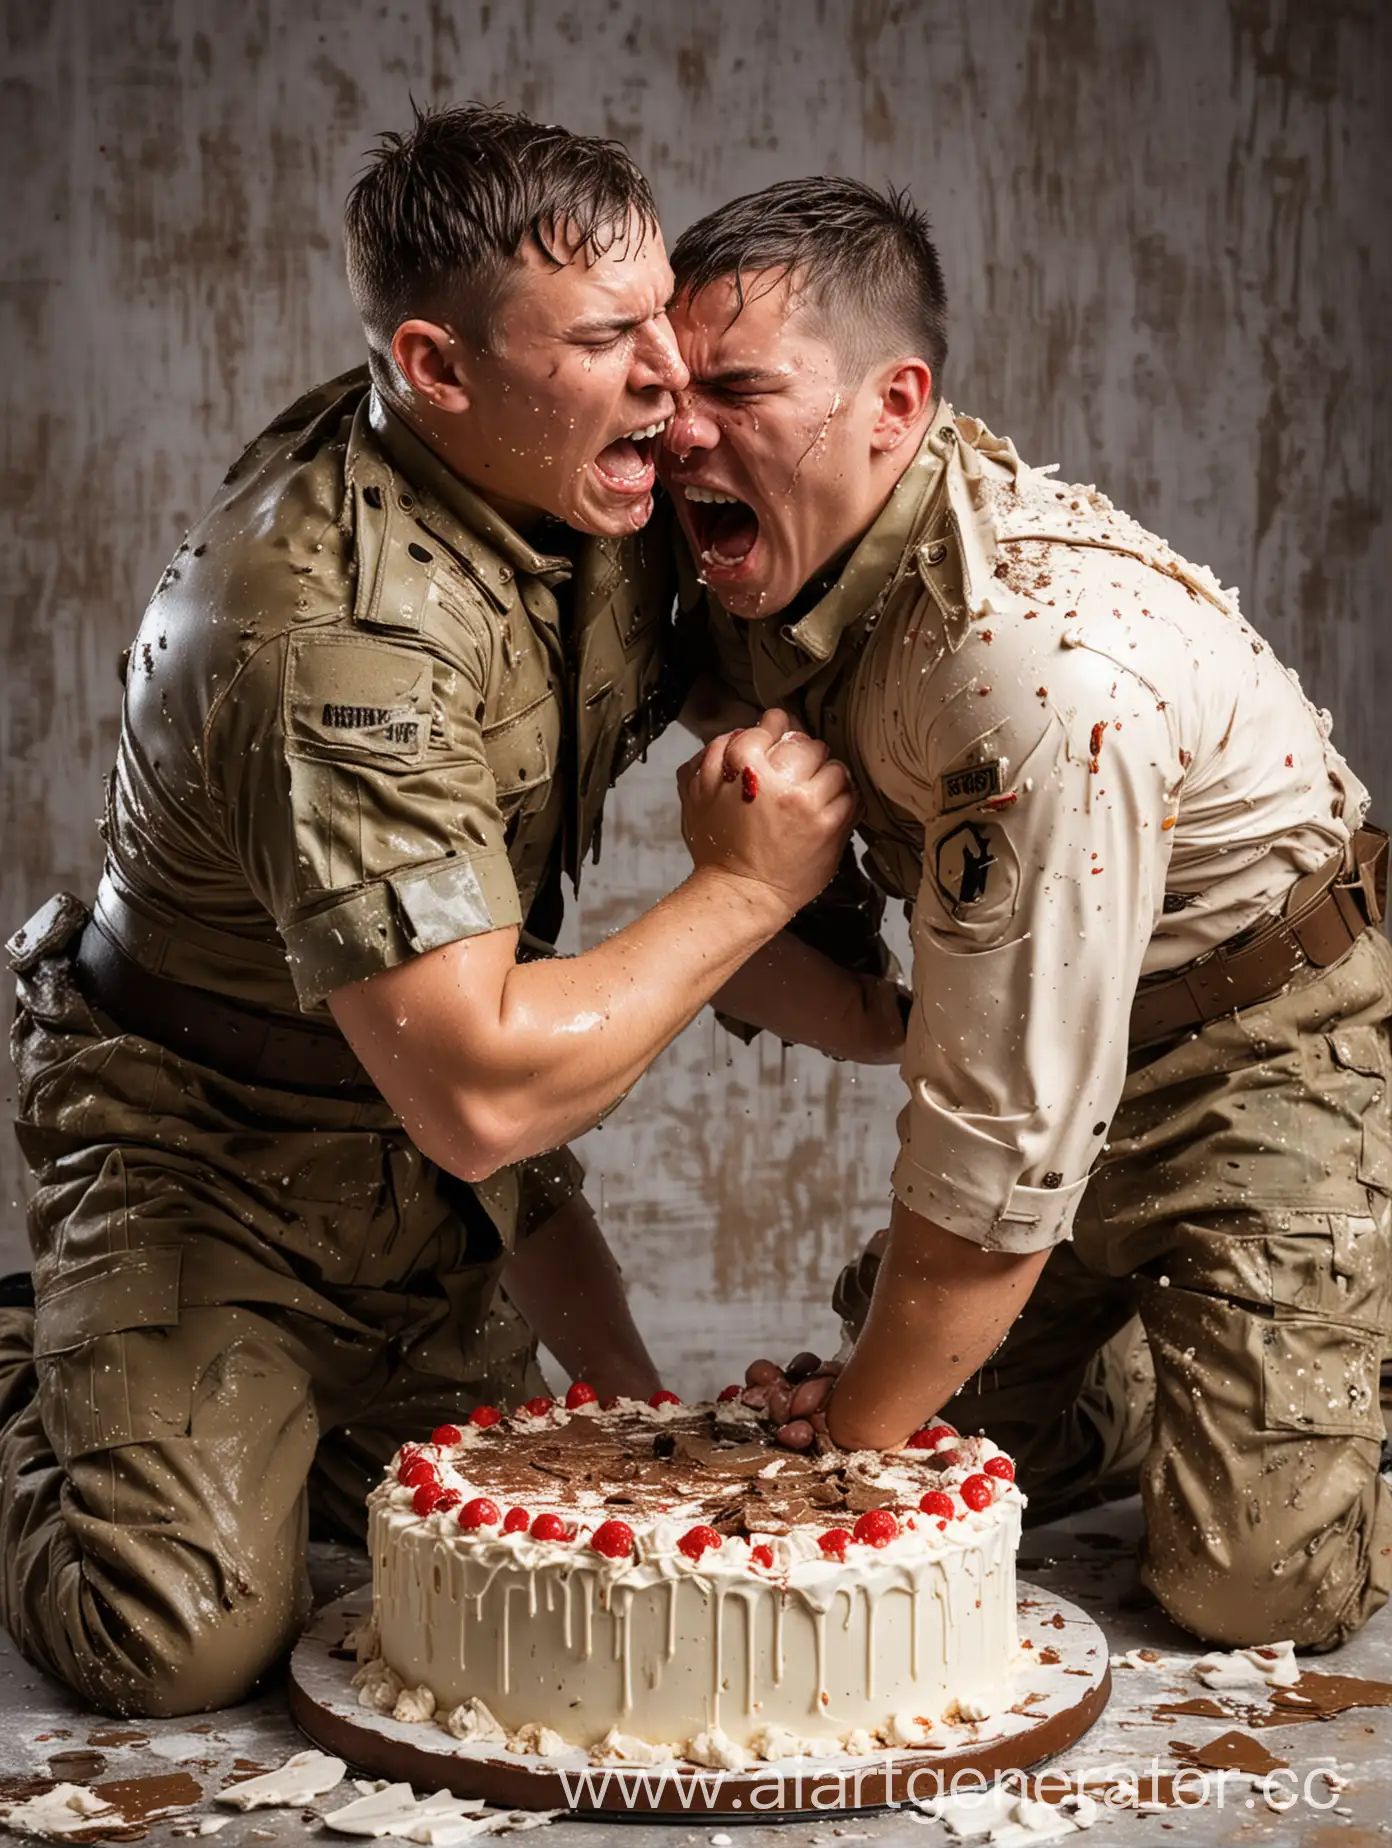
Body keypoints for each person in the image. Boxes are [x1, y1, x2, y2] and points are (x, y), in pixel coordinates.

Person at [0, 110, 897, 1718]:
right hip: (207, 1135)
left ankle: (303, 1395)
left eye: (665, 322)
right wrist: (743, 893)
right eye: (610, 340)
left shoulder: (579, 486)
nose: (670, 383)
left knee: (513, 1538)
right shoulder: (338, 629)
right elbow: (483, 1096)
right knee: (174, 1642)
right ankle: (36, 1360)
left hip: (405, 1104)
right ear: (436, 365)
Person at [661, 175, 1392, 1651]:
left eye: (737, 389)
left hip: (1260, 1052)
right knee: (967, 1445)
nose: (680, 434)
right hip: (1060, 1046)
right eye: (675, 390)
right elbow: (898, 1026)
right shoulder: (789, 549)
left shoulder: (1030, 671)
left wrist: (843, 1457)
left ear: (895, 404)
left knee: (1248, 1590)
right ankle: (1182, 1356)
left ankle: (1341, 1314)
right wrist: (734, 885)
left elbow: (990, 1166)